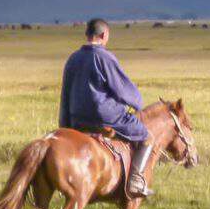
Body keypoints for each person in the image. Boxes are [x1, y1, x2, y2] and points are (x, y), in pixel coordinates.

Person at [58, 18, 154, 198]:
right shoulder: (105, 57)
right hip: (106, 118)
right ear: (104, 35)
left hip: (77, 120)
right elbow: (123, 90)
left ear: (87, 35)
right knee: (148, 137)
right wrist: (137, 103)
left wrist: (65, 126)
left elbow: (65, 94)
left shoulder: (73, 58)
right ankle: (135, 181)